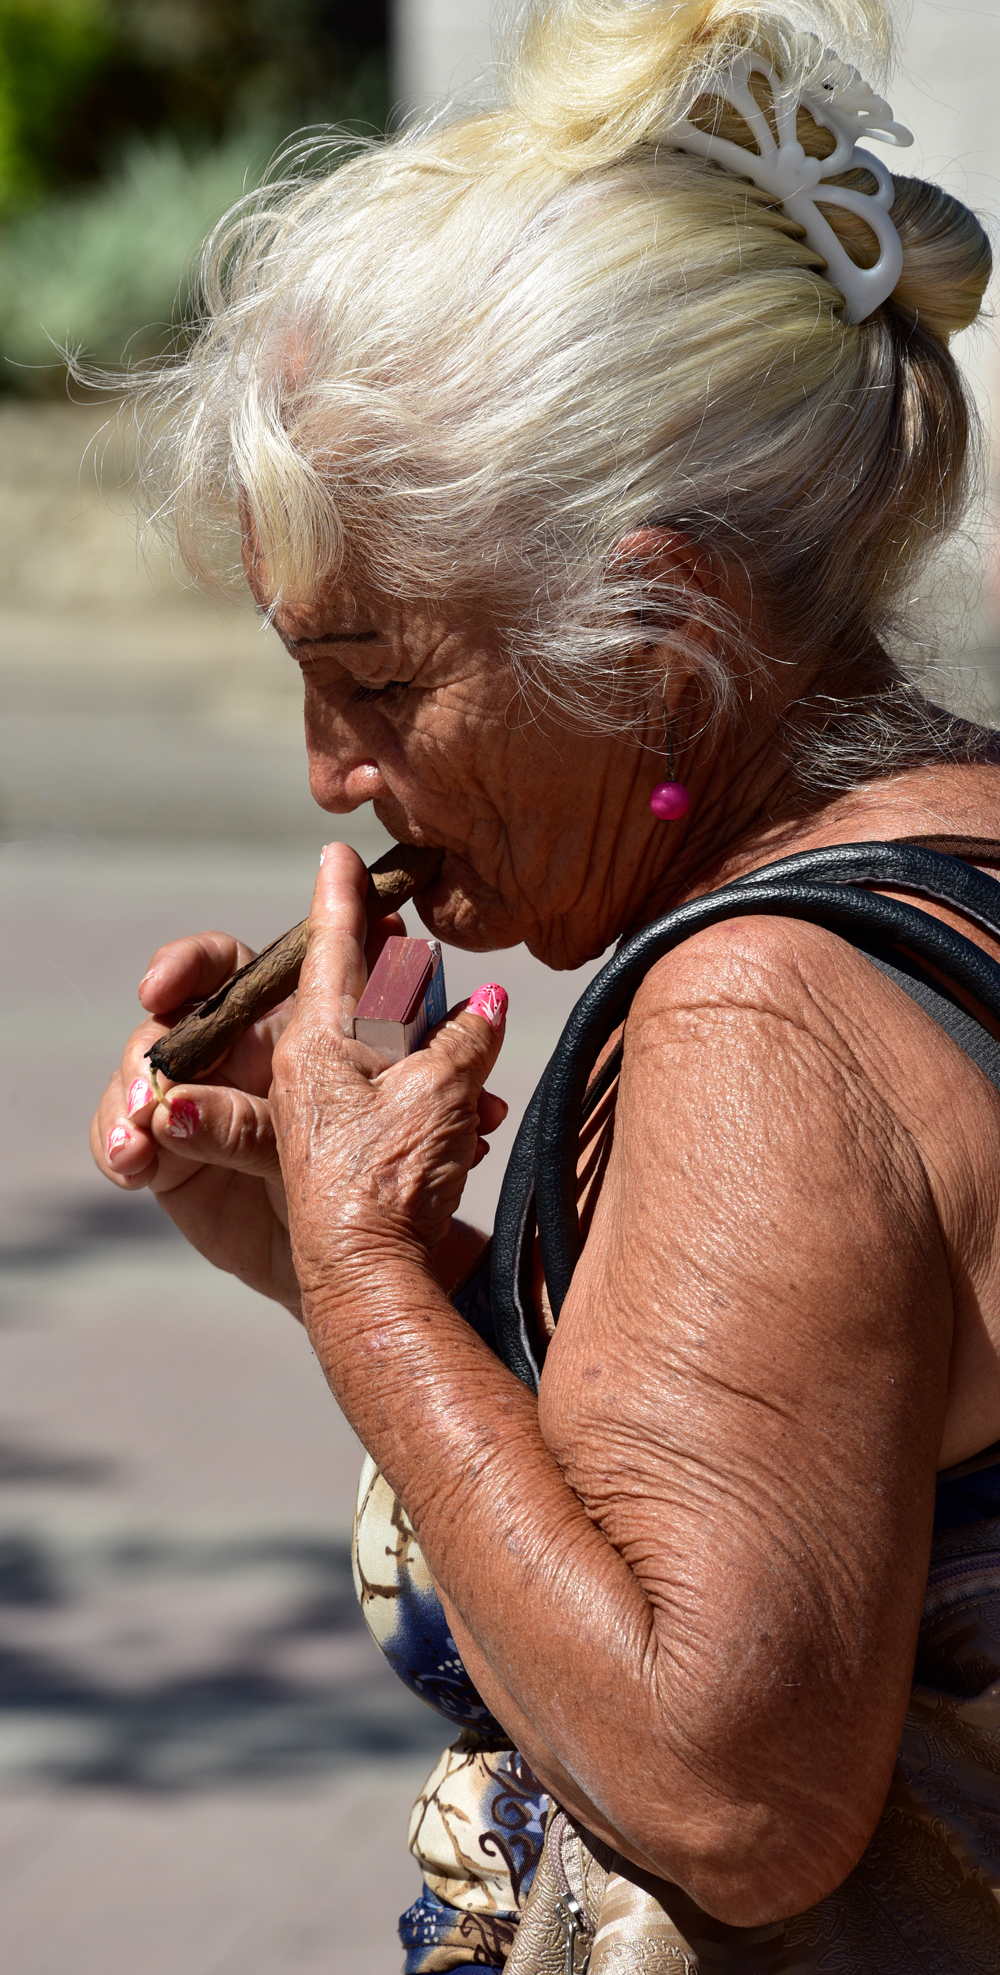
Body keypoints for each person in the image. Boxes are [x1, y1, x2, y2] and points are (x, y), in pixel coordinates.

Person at [92, 1, 1000, 1966]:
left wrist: (361, 1301)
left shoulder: (760, 1019)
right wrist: (389, 1265)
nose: (334, 776)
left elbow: (729, 1790)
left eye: (377, 681)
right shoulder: (961, 853)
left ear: (661, 646)